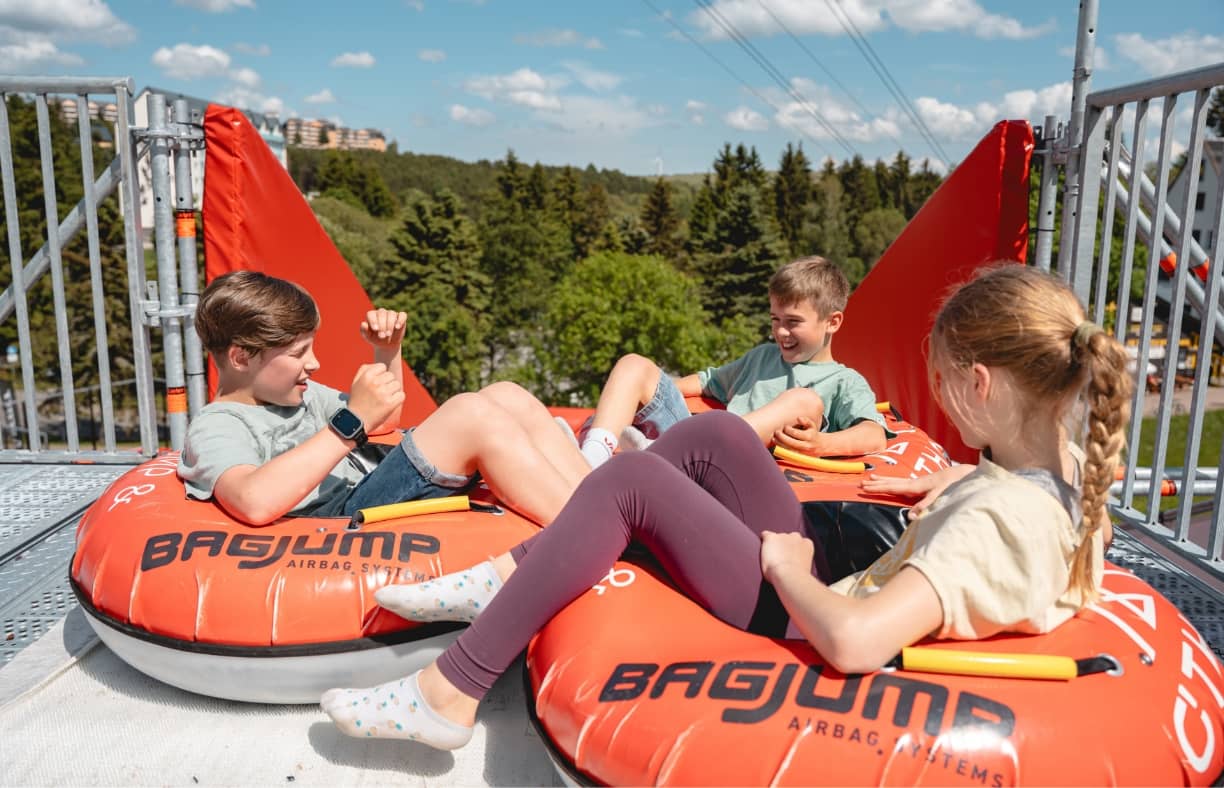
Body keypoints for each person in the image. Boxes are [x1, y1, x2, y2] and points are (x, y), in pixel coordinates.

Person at [320, 263, 1132, 751]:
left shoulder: (1001, 521)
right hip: (832, 578)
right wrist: (952, 487)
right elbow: (998, 534)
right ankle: (509, 574)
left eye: (948, 382)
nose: (945, 401)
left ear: (982, 384)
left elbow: (854, 640)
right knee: (720, 442)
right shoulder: (1055, 481)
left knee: (628, 484)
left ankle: (447, 693)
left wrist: (787, 568)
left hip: (798, 612)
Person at [177, 271, 588, 526]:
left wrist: (387, 352)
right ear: (241, 356)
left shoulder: (299, 397)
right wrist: (348, 425)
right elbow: (253, 502)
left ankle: (599, 501)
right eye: (298, 352)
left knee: (506, 394)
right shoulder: (219, 424)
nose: (315, 362)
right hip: (338, 522)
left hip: (371, 488)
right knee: (469, 412)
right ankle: (588, 533)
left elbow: (383, 422)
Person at [577, 256, 888, 469]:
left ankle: (662, 457)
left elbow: (874, 435)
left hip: (735, 464)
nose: (780, 331)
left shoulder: (843, 380)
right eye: (774, 319)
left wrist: (820, 443)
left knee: (804, 401)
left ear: (832, 322)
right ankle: (591, 459)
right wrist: (634, 394)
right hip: (693, 438)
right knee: (634, 364)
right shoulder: (762, 357)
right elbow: (705, 381)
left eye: (793, 322)